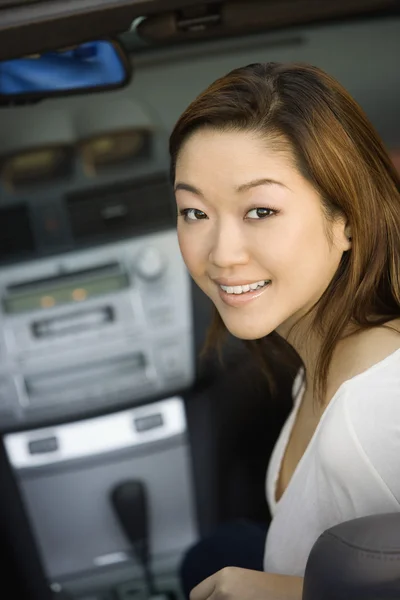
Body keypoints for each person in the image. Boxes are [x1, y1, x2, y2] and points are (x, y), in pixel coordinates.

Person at [169, 62, 400, 600]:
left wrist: (289, 594)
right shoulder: (326, 351)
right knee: (210, 555)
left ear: (346, 219)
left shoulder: (379, 412)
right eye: (194, 213)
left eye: (261, 210)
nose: (221, 254)